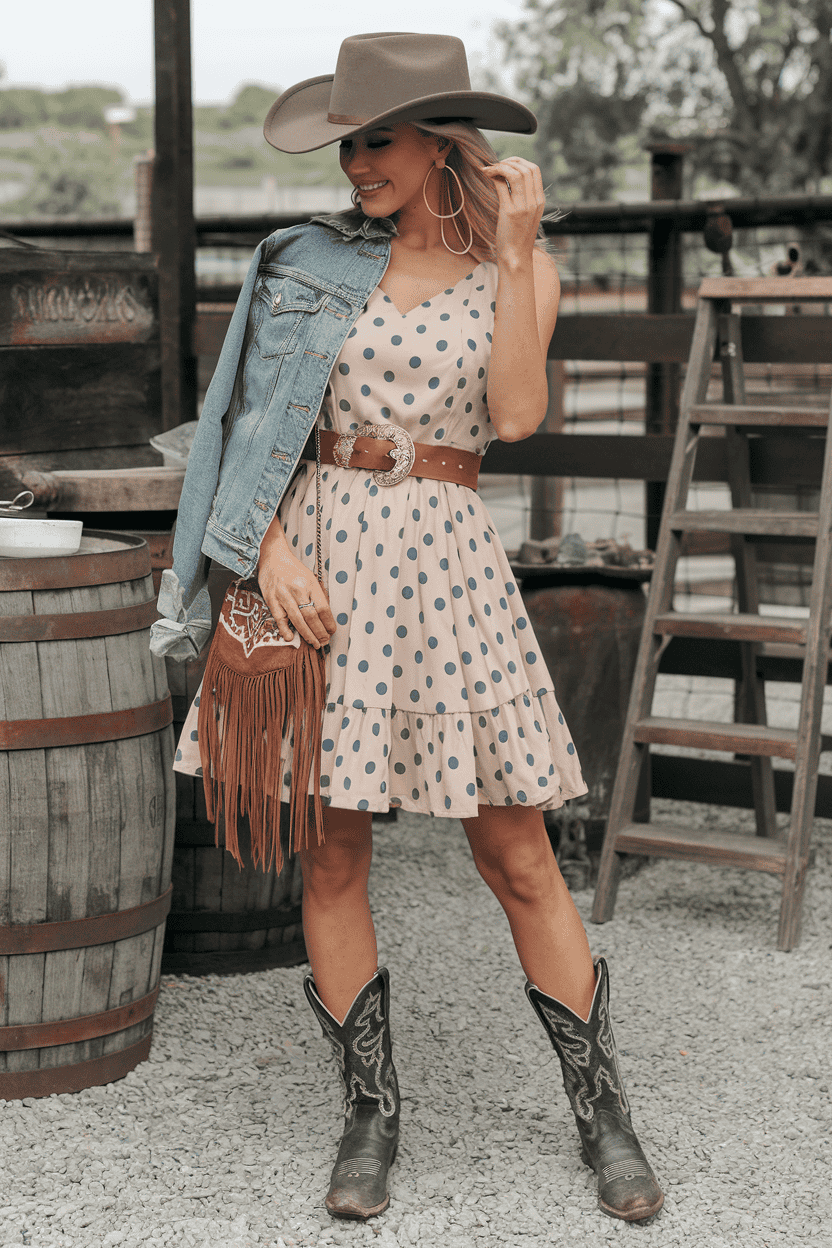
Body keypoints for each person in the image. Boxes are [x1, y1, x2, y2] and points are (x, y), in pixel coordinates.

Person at [151, 31, 663, 1227]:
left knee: (516, 853)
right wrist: (264, 550)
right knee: (329, 854)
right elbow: (235, 423)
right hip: (316, 568)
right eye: (347, 144)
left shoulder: (518, 270)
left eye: (375, 140)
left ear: (444, 145)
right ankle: (370, 1114)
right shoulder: (305, 262)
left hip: (444, 569)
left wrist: (524, 250)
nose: (355, 166)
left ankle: (604, 1116)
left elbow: (521, 414)